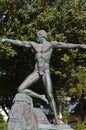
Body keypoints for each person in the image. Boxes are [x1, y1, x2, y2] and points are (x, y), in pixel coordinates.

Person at [0, 30, 86, 124]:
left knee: (50, 95)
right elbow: (21, 43)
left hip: (46, 72)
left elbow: (65, 45)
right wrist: (7, 40)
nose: (36, 38)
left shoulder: (51, 44)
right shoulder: (34, 45)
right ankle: (41, 97)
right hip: (36, 72)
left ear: (41, 36)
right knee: (21, 89)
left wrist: (79, 45)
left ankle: (56, 120)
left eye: (37, 36)